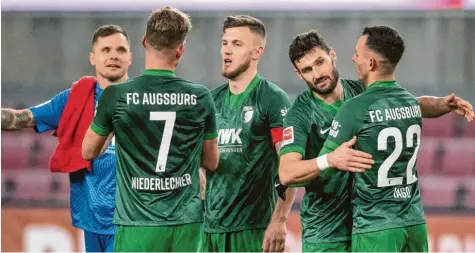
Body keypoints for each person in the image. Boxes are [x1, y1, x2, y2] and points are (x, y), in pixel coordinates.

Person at [277, 29, 474, 252]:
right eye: (307, 70)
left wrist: (441, 104)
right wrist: (328, 160)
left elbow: (405, 104)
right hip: (327, 232)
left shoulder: (360, 91)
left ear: (332, 55)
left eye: (320, 62)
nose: (317, 74)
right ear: (298, 74)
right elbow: (286, 172)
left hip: (368, 224)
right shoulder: (300, 114)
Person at [81, 6, 219, 252]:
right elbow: (211, 161)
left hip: (137, 222)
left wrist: (116, 129)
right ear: (180, 50)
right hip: (186, 222)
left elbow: (88, 151)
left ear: (144, 42)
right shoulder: (201, 97)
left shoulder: (116, 96)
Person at [1, 24, 132, 252]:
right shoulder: (75, 98)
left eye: (120, 50)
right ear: (92, 57)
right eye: (106, 49)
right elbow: (22, 118)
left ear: (130, 57)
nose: (113, 55)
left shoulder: (143, 100)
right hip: (92, 219)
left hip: (130, 219)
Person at [201, 15, 296, 252]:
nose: (227, 51)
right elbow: (200, 161)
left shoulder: (271, 99)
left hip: (255, 230)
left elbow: (290, 165)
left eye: (237, 44)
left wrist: (280, 219)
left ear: (257, 52)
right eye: (225, 43)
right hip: (209, 230)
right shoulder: (210, 100)